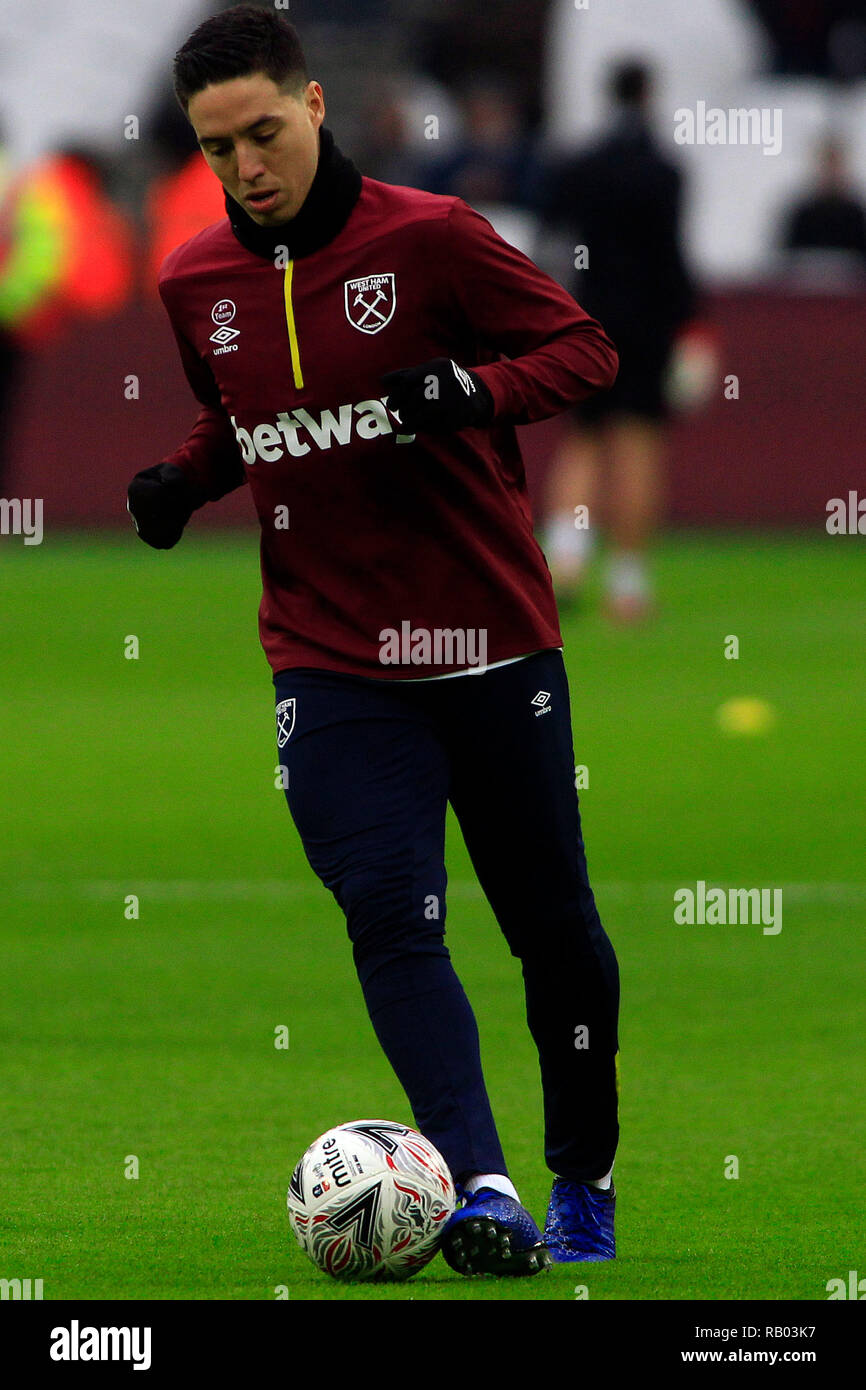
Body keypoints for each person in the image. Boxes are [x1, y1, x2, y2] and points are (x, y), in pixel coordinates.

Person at [127, 4, 620, 1276]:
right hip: (328, 656)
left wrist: (471, 392)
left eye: (263, 131)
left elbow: (583, 348)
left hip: (489, 645)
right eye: (216, 145)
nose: (246, 167)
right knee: (390, 919)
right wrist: (185, 482)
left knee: (552, 930)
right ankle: (484, 1186)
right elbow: (238, 415)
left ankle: (584, 1176)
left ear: (315, 106)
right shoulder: (194, 280)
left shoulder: (434, 237)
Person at [542, 61, 696, 620]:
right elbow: (673, 257)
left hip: (589, 319)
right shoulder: (664, 170)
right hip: (647, 324)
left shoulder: (582, 164)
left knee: (582, 440)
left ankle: (565, 561)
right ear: (649, 94)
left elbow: (551, 238)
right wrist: (689, 321)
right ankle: (627, 588)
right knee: (637, 445)